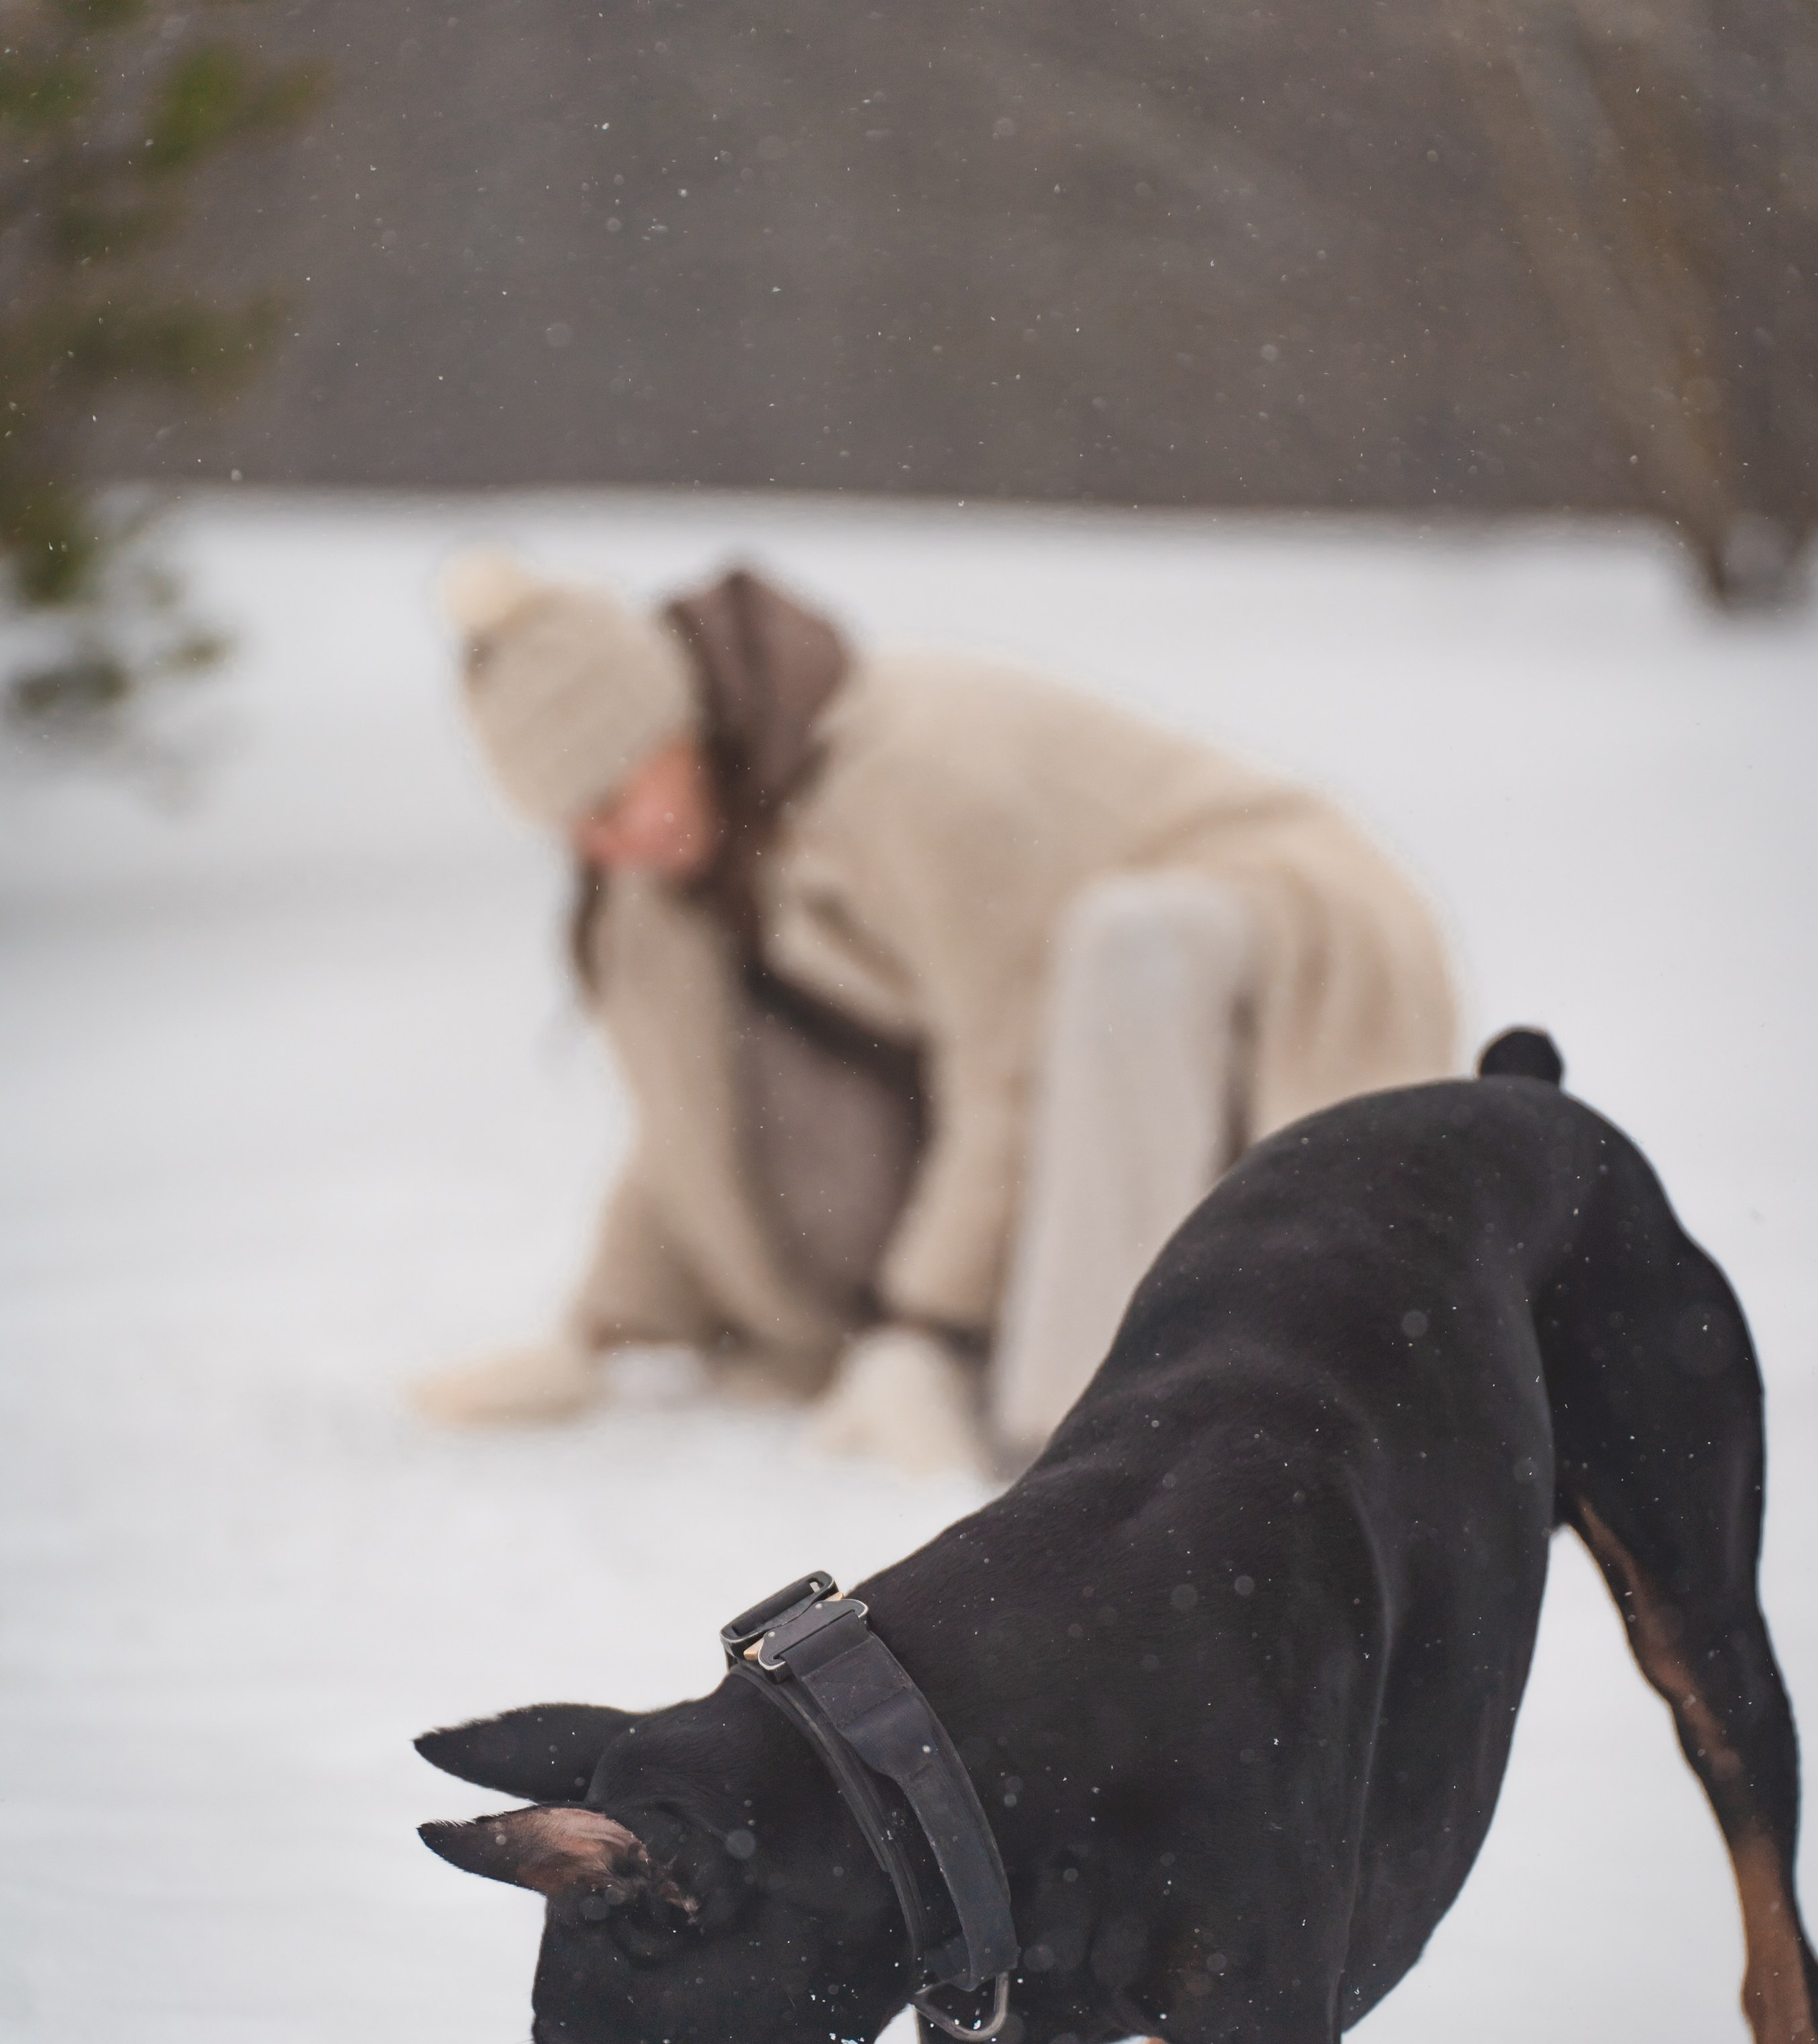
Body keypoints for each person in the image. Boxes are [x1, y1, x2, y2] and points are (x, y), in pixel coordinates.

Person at [411, 554, 1458, 1473]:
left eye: (608, 804)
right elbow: (694, 1110)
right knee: (1081, 976)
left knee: (1126, 945)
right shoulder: (699, 868)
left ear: (672, 731)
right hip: (1102, 1039)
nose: (599, 849)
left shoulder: (908, 774)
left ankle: (1079, 1445)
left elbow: (1006, 1064)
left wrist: (926, 1331)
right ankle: (1042, 1375)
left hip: (1284, 927)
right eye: (568, 830)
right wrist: (605, 1332)